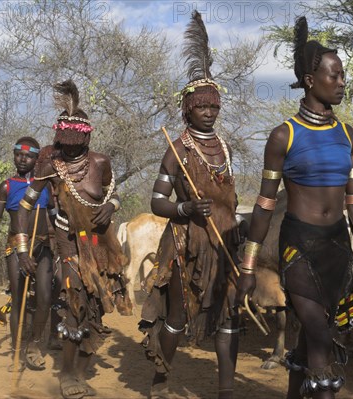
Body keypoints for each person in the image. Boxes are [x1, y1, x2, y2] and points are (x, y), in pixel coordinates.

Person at [235, 16, 353, 399]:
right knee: (319, 338)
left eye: (343, 75)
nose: (342, 83)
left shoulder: (348, 135)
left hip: (337, 249)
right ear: (311, 80)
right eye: (334, 76)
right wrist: (248, 266)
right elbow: (265, 206)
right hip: (298, 246)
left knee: (313, 336)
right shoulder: (284, 135)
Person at [139, 11, 241, 399]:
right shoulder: (177, 149)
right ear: (188, 109)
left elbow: (229, 196)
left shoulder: (226, 148)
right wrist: (185, 210)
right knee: (179, 317)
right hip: (186, 244)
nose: (210, 112)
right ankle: (161, 382)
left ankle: (227, 389)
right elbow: (156, 201)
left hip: (223, 241)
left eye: (214, 107)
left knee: (229, 315)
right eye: (202, 107)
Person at [17, 80, 132, 399]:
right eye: (63, 143)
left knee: (96, 308)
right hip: (67, 243)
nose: (68, 150)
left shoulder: (100, 163)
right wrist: (24, 248)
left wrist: (110, 207)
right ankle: (67, 375)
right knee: (75, 302)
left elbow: (115, 195)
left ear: (86, 138)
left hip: (99, 244)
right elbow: (26, 206)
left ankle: (80, 372)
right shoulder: (48, 162)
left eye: (75, 144)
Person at [0, 136, 55, 372]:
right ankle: (16, 352)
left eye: (29, 156)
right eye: (19, 154)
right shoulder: (7, 185)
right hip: (16, 247)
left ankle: (34, 346)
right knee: (18, 300)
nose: (22, 159)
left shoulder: (44, 185)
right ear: (14, 155)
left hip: (42, 246)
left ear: (37, 159)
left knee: (45, 297)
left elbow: (54, 216)